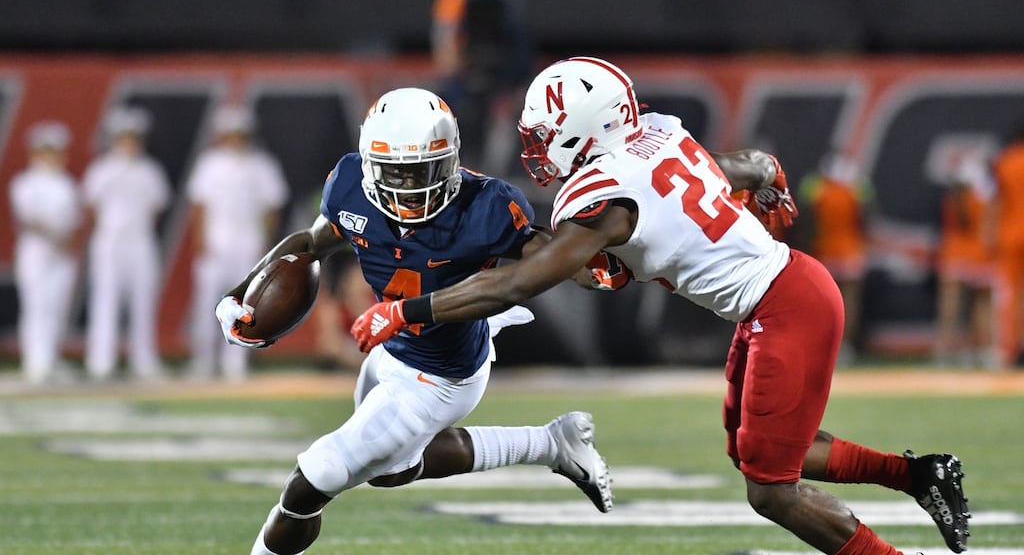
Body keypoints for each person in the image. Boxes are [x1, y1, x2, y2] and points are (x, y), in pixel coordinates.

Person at [352, 57, 971, 555]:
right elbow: (746, 165)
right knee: (756, 448)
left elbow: (521, 283)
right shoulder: (658, 139)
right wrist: (771, 180)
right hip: (783, 297)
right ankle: (920, 475)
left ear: (581, 130)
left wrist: (407, 312)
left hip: (785, 307)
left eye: (544, 135)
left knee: (771, 489)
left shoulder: (605, 197)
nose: (537, 149)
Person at [213, 88, 613, 555]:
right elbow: (309, 244)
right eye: (394, 173)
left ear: (449, 162)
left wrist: (595, 259)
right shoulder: (348, 188)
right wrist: (240, 294)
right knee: (392, 472)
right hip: (392, 350)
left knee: (317, 475)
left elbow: (549, 258)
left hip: (444, 375)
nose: (406, 187)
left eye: (419, 172)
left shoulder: (484, 206)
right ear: (367, 163)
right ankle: (550, 444)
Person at [185, 104, 289, 381]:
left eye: (240, 133)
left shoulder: (262, 164)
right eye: (231, 133)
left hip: (248, 243)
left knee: (245, 305)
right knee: (206, 301)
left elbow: (272, 207)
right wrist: (201, 240)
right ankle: (203, 359)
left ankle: (236, 362)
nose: (235, 138)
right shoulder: (210, 163)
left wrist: (265, 243)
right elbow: (199, 205)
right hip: (216, 241)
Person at [81, 105, 172, 382]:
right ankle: (101, 362)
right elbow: (91, 207)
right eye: (124, 136)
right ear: (114, 137)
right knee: (105, 299)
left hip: (141, 240)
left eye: (133, 136)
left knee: (143, 300)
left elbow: (158, 207)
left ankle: (143, 359)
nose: (129, 142)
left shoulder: (150, 171)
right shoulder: (102, 170)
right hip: (110, 241)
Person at [432, 0, 533, 174]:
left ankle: (494, 174)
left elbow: (518, 44)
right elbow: (446, 41)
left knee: (506, 121)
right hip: (467, 76)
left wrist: (515, 84)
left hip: (501, 75)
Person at [8, 121, 82, 385]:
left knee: (57, 307)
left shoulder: (67, 184)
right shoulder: (25, 183)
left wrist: (67, 243)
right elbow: (29, 219)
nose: (52, 156)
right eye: (47, 151)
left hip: (63, 253)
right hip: (37, 252)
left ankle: (51, 357)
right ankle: (35, 362)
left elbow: (76, 220)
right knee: (36, 306)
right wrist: (57, 239)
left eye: (56, 151)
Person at [799, 151, 871, 365]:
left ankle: (826, 345)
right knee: (848, 301)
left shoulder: (815, 185)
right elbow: (865, 219)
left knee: (824, 301)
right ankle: (844, 346)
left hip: (825, 249)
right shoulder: (858, 186)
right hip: (849, 249)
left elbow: (804, 219)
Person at [934, 146, 994, 368]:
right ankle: (983, 349)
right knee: (982, 304)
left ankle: (945, 350)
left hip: (954, 253)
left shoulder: (952, 197)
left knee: (950, 306)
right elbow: (989, 226)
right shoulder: (983, 197)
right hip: (979, 253)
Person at [989, 123, 1024, 370]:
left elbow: (996, 201)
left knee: (1009, 295)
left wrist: (989, 232)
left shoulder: (1005, 161)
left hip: (1011, 234)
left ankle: (1009, 349)